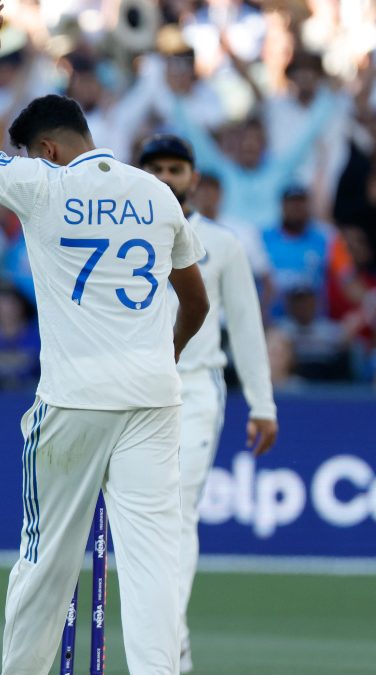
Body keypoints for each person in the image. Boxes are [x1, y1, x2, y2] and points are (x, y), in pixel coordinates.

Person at [0, 2, 210, 674]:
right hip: (154, 396)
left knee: (45, 560)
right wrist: (161, 356)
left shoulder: (41, 185)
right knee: (154, 561)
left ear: (47, 149)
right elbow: (194, 299)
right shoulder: (158, 194)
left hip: (75, 399)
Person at [138, 134, 279, 673]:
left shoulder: (223, 242)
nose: (167, 179)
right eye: (155, 169)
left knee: (176, 513)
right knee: (143, 524)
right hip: (133, 393)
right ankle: (172, 639)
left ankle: (165, 644)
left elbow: (245, 326)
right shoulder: (123, 236)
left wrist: (262, 403)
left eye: (177, 169)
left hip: (195, 389)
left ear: (195, 179)